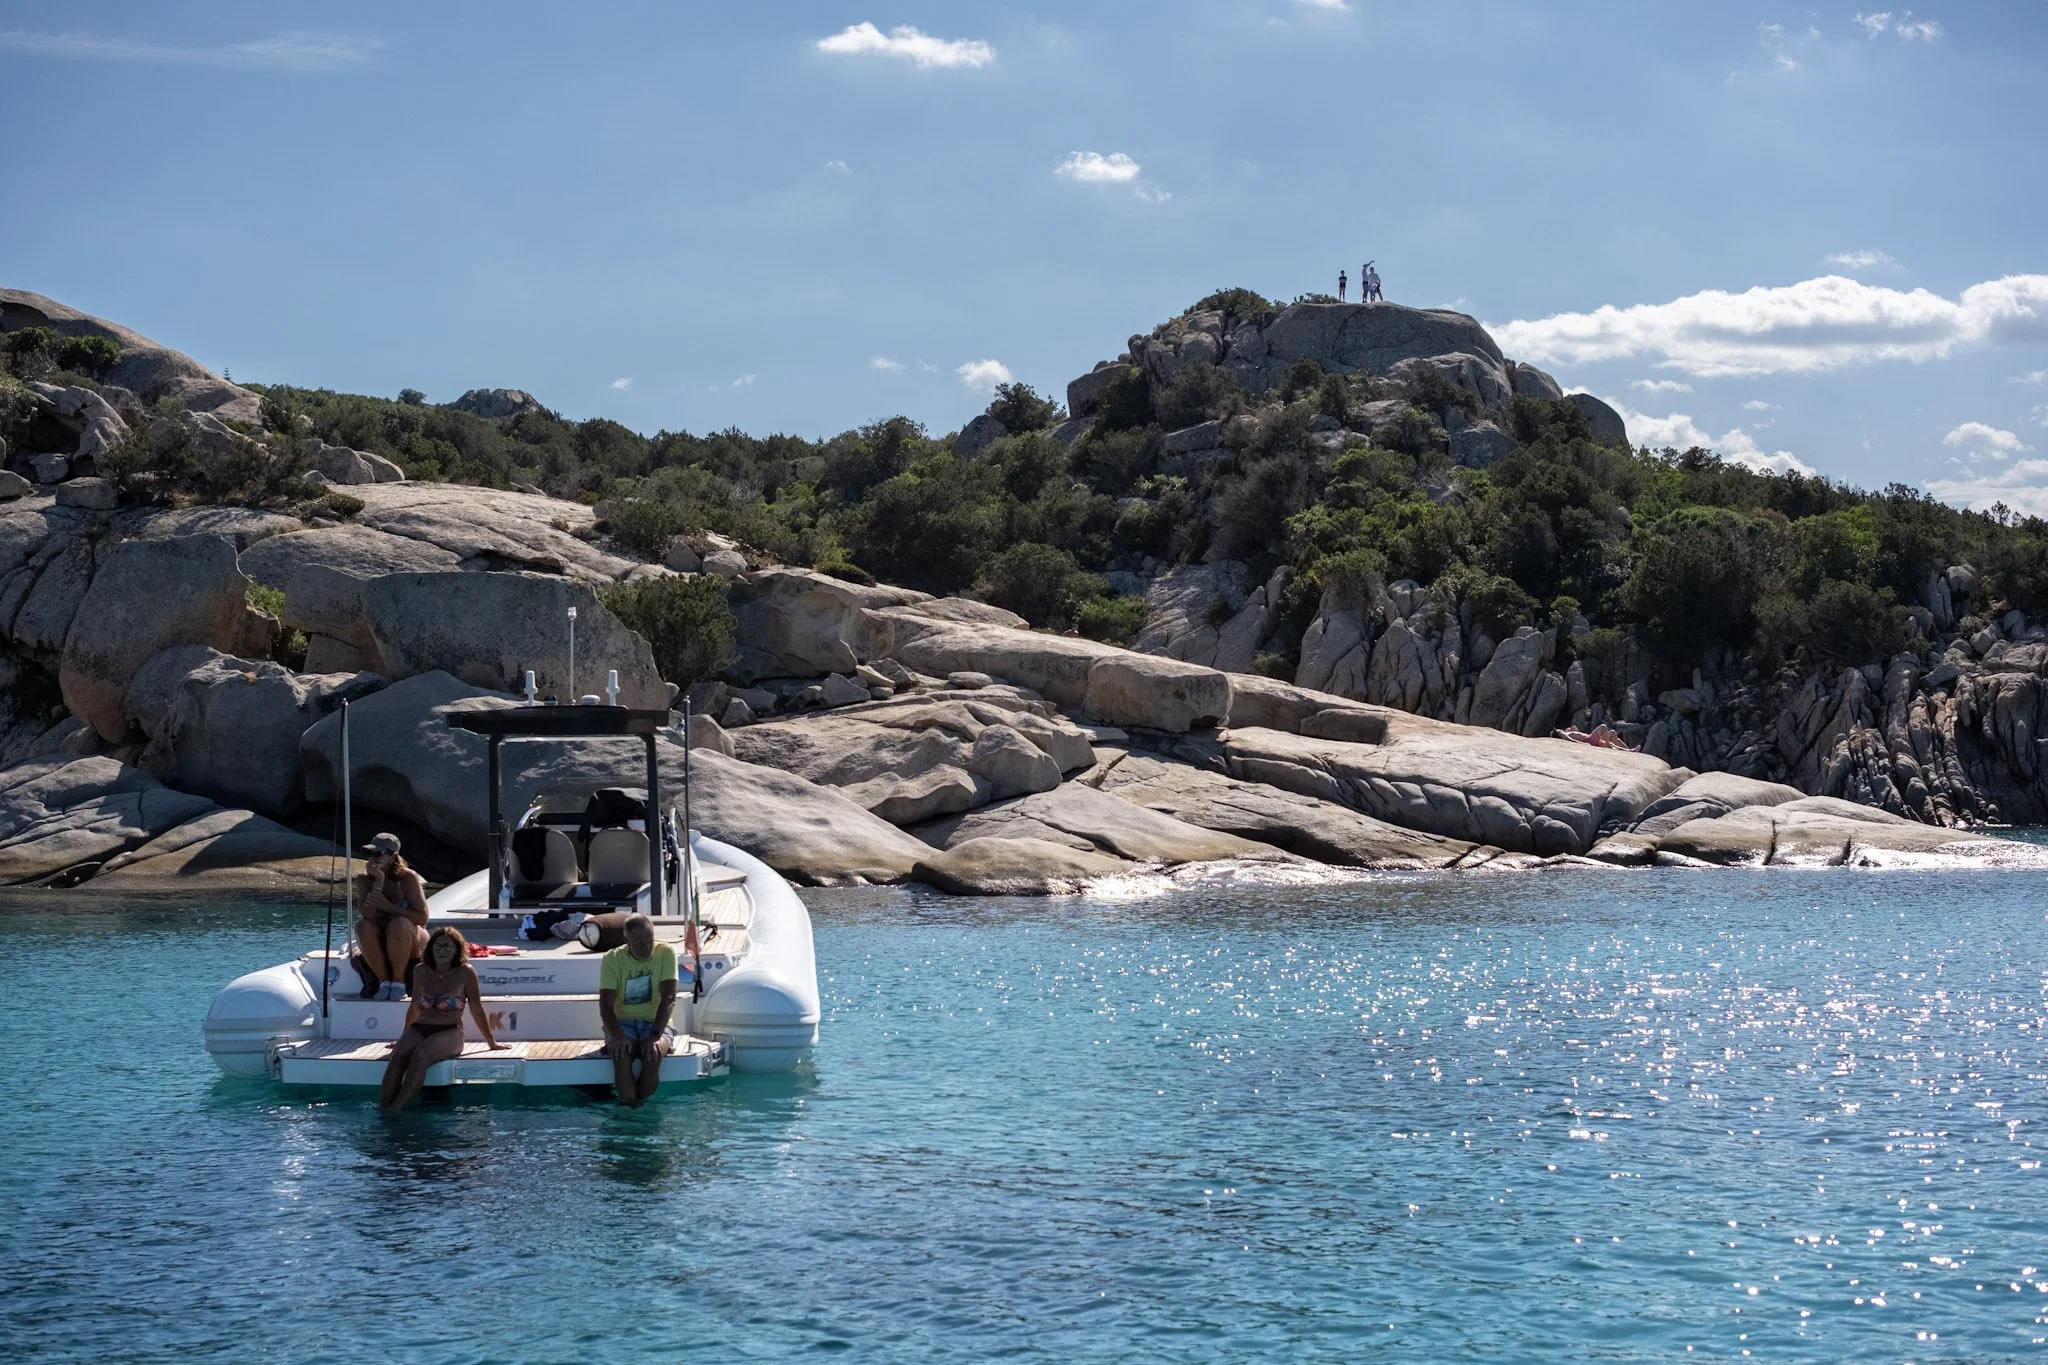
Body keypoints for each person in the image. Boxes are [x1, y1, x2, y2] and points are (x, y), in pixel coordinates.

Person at [378, 927, 505, 1112]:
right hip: (420, 1027)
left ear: (456, 949)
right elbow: (414, 1007)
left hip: (450, 1030)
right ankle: (383, 1108)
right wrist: (403, 1037)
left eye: (447, 946)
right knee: (398, 1055)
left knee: (420, 1055)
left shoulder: (465, 972)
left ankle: (395, 1109)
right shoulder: (420, 970)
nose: (441, 950)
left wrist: (491, 1042)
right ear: (430, 948)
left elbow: (476, 1009)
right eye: (437, 946)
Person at [598, 914, 679, 1107]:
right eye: (640, 943)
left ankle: (640, 1108)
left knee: (652, 1054)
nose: (647, 947)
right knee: (621, 1055)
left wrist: (655, 1035)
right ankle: (629, 1105)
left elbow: (669, 997)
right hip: (623, 1023)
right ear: (627, 941)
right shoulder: (612, 958)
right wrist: (617, 1036)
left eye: (650, 941)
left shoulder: (666, 952)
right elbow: (606, 1004)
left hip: (655, 1023)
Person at [354, 832, 429, 1002]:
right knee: (362, 926)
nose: (372, 858)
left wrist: (388, 907)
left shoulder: (408, 878)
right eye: (369, 853)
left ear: (392, 857)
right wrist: (378, 882)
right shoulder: (364, 879)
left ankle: (398, 981)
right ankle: (384, 981)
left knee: (399, 924)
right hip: (382, 936)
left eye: (378, 853)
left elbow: (422, 918)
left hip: (411, 937)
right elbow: (368, 914)